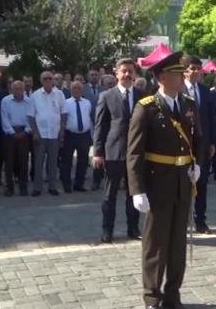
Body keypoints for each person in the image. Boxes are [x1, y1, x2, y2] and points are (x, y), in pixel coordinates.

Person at [126, 51, 202, 309]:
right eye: (177, 74)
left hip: (183, 182)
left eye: (182, 73)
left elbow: (199, 140)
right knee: (155, 244)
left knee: (177, 244)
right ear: (161, 78)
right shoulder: (146, 107)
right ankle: (152, 296)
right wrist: (137, 189)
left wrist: (197, 164)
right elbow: (134, 152)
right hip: (157, 183)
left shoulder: (189, 104)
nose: (182, 77)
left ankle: (172, 294)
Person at [92, 58, 145, 243]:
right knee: (110, 195)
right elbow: (100, 126)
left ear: (135, 73)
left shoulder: (143, 96)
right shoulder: (106, 96)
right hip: (113, 152)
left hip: (136, 153)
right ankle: (107, 230)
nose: (127, 74)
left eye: (130, 71)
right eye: (124, 71)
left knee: (134, 193)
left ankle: (133, 228)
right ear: (116, 73)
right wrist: (97, 152)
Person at [182, 54, 216, 234]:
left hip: (202, 145)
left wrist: (212, 142)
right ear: (185, 71)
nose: (196, 72)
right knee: (183, 183)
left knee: (202, 183)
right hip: (182, 144)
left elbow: (211, 118)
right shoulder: (178, 89)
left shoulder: (205, 92)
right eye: (192, 68)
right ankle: (182, 220)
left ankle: (200, 221)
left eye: (199, 69)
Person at [28, 71, 65, 197]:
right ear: (41, 80)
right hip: (40, 134)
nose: (48, 80)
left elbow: (63, 113)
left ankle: (52, 187)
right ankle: (37, 188)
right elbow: (31, 116)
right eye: (45, 78)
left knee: (53, 162)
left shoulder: (59, 94)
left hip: (54, 133)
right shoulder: (35, 95)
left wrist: (62, 131)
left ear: (53, 80)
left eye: (50, 78)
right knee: (38, 162)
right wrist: (35, 132)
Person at [60, 81, 93, 193]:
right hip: (70, 135)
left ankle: (79, 184)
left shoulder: (87, 103)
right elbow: (63, 120)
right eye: (74, 88)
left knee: (83, 161)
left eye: (79, 88)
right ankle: (67, 184)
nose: (77, 90)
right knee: (67, 161)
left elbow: (88, 117)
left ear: (82, 90)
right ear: (71, 90)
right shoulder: (65, 103)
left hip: (84, 135)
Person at [1, 81, 32, 196]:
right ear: (11, 89)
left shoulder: (29, 101)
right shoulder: (5, 101)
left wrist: (26, 131)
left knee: (23, 162)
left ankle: (23, 187)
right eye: (15, 89)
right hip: (10, 134)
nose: (18, 91)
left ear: (24, 90)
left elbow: (31, 118)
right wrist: (12, 132)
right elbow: (4, 118)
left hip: (24, 133)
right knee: (9, 162)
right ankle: (9, 187)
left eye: (20, 89)